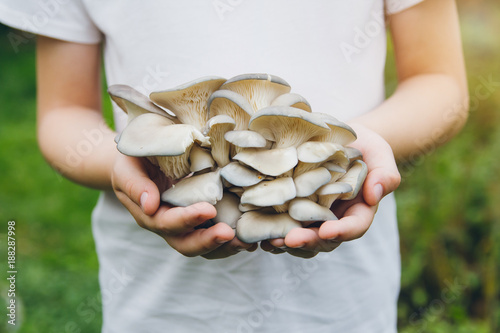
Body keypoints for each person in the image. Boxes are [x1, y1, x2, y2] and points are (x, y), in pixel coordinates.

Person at [0, 0, 468, 332]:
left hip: (340, 302)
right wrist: (121, 165)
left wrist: (350, 148)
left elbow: (440, 82)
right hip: (157, 303)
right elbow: (63, 112)